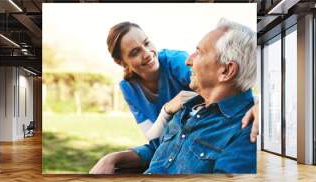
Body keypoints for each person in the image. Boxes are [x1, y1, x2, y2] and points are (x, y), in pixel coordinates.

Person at [90, 18, 257, 174]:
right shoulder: (190, 108)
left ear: (226, 70)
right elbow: (159, 146)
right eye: (134, 52)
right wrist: (111, 158)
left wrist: (262, 106)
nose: (188, 60)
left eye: (198, 53)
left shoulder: (243, 132)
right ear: (122, 62)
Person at [106, 22, 259, 142]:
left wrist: (259, 105)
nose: (147, 54)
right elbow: (151, 136)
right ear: (121, 62)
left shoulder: (176, 61)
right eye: (134, 52)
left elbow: (225, 86)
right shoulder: (128, 88)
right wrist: (166, 111)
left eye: (146, 43)